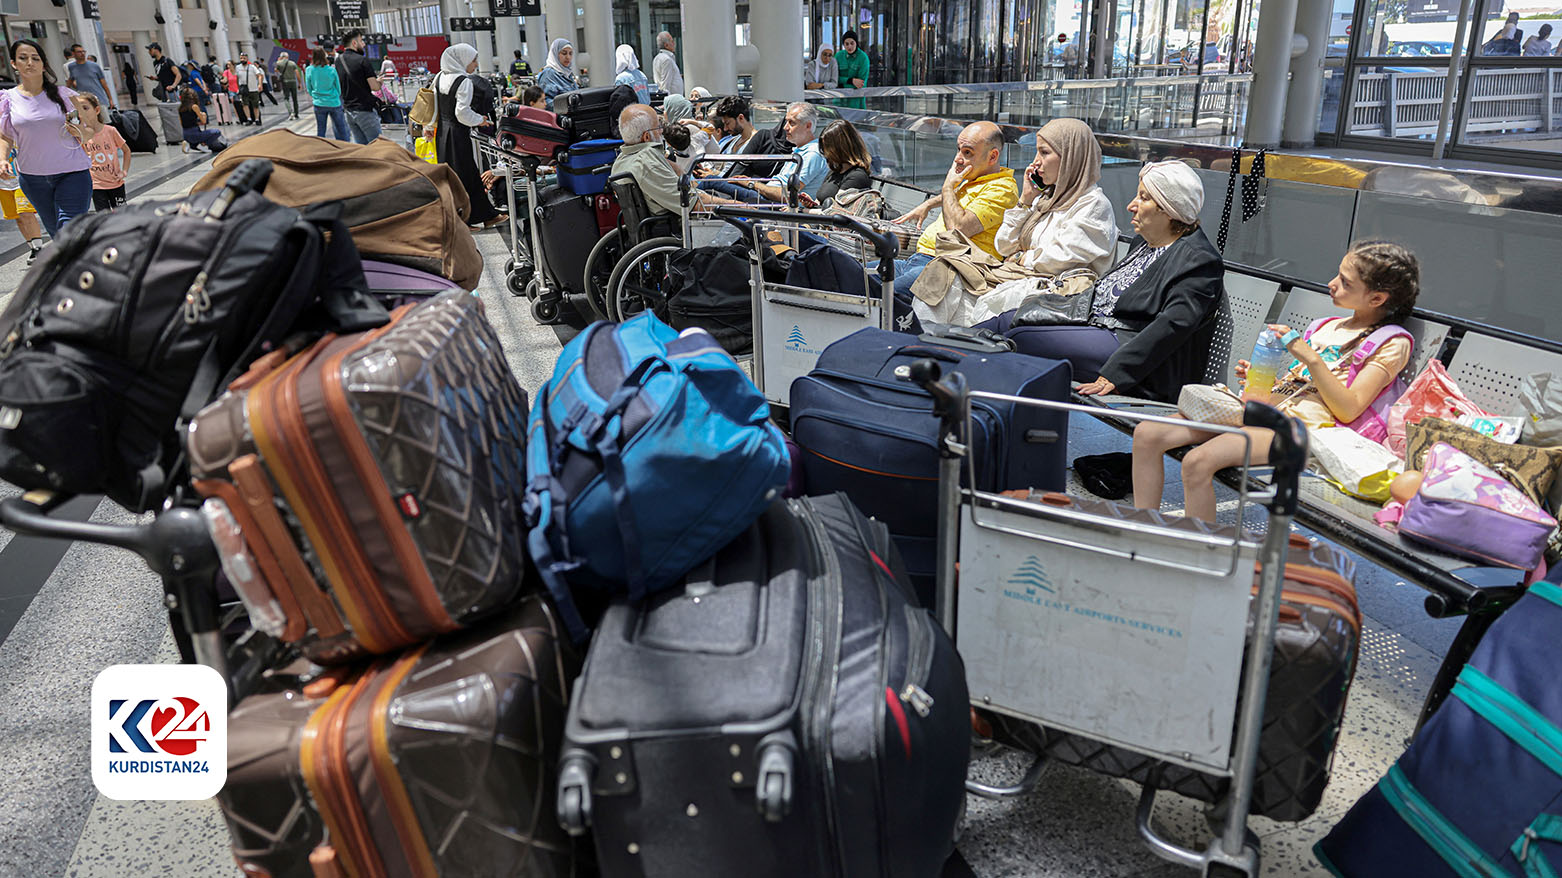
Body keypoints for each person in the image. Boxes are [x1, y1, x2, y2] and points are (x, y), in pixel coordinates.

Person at [1132, 241, 1418, 522]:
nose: (1332, 284)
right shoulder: (1325, 326)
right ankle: (1142, 528)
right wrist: (1259, 379)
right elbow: (1299, 385)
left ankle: (1204, 552)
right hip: (1268, 410)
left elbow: (1349, 408)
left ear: (1377, 298)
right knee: (1148, 434)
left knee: (1198, 462)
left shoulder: (1390, 343)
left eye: (1345, 282)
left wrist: (1311, 358)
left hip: (1303, 430)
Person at [1011, 159, 1223, 404]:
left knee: (1020, 338)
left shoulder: (1198, 261)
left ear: (1169, 209)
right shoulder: (1144, 242)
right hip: (1097, 325)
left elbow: (1173, 325)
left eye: (1144, 198)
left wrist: (1116, 374)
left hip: (1131, 354)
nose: (1131, 205)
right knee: (1004, 320)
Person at [955, 118, 1118, 324]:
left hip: (1051, 299)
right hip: (1018, 281)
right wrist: (1025, 200)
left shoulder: (1094, 205)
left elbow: (1058, 260)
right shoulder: (1046, 199)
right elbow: (1004, 246)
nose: (1036, 161)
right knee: (945, 277)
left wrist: (1023, 257)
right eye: (1037, 152)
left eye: (1045, 152)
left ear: (1070, 158)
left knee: (954, 291)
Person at [887, 120, 1019, 297]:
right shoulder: (975, 179)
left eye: (967, 152)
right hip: (919, 260)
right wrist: (928, 204)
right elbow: (959, 197)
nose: (958, 158)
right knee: (853, 274)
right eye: (958, 149)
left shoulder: (1002, 189)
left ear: (993, 157)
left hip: (947, 268)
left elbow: (958, 229)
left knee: (882, 294)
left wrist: (948, 186)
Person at [0, 39, 93, 238]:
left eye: (35, 58)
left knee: (69, 232)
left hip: (72, 173)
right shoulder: (8, 99)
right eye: (23, 58)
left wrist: (81, 132)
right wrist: (1, 160)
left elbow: (89, 129)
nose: (29, 63)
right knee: (57, 235)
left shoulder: (65, 95)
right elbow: (5, 136)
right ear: (14, 64)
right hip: (33, 178)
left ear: (43, 64)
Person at [613, 104, 740, 217]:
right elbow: (693, 203)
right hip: (677, 224)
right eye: (658, 128)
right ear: (646, 136)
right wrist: (739, 206)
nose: (661, 131)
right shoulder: (647, 161)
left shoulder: (621, 159)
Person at [434, 44, 504, 229]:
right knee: (466, 175)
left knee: (455, 176)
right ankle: (467, 219)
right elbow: (462, 113)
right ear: (462, 60)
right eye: (473, 60)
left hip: (442, 133)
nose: (475, 64)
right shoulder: (464, 81)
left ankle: (479, 216)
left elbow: (434, 104)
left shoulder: (440, 77)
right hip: (458, 134)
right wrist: (480, 120)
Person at [736, 101, 831, 205]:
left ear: (808, 126)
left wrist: (752, 183)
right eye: (786, 122)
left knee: (719, 185)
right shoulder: (799, 150)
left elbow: (788, 194)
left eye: (792, 123)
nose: (785, 127)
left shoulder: (812, 154)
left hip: (777, 207)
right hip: (767, 200)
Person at [75, 94, 129, 211]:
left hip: (116, 183)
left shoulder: (110, 131)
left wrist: (124, 171)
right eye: (78, 109)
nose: (82, 113)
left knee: (122, 215)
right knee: (104, 217)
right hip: (96, 186)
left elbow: (126, 150)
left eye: (85, 108)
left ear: (97, 110)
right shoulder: (80, 136)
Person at [336, 29, 384, 143]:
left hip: (349, 111)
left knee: (362, 148)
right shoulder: (362, 60)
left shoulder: (339, 60)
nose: (363, 44)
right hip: (365, 111)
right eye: (361, 41)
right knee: (378, 147)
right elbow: (375, 87)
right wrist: (380, 81)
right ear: (354, 43)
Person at [814, 120, 873, 203]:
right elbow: (819, 201)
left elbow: (836, 209)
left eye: (827, 148)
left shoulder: (857, 176)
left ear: (841, 148)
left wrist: (804, 210)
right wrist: (811, 204)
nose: (825, 153)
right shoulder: (835, 172)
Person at [306, 48, 348, 141]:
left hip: (319, 103)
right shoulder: (331, 70)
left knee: (321, 130)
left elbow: (309, 88)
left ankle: (322, 150)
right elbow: (338, 87)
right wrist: (335, 96)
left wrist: (315, 96)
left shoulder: (309, 70)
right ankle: (345, 148)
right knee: (341, 128)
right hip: (334, 102)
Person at [65, 44, 113, 120]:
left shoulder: (95, 66)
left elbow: (104, 84)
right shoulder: (71, 67)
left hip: (99, 100)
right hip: (84, 102)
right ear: (73, 54)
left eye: (83, 51)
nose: (82, 53)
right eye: (79, 52)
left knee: (105, 123)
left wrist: (110, 99)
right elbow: (70, 80)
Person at [178, 87, 227, 153]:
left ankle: (190, 144)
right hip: (195, 133)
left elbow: (181, 123)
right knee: (217, 132)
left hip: (185, 134)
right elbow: (204, 121)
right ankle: (204, 143)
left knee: (198, 138)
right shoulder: (194, 106)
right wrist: (203, 115)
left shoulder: (180, 108)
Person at [537, 38, 577, 108]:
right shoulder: (548, 74)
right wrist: (567, 106)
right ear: (555, 53)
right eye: (564, 53)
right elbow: (546, 102)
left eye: (570, 53)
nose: (568, 57)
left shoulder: (567, 73)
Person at [836, 30, 869, 109]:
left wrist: (841, 84)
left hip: (856, 101)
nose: (849, 46)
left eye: (852, 43)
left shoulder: (863, 58)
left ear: (856, 43)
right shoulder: (838, 56)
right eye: (846, 44)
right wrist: (851, 81)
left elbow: (861, 83)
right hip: (839, 100)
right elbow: (834, 78)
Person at [235, 52, 264, 126]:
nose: (242, 59)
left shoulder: (252, 67)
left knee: (255, 105)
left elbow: (259, 75)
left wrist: (260, 84)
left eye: (244, 58)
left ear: (247, 59)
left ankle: (257, 119)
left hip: (253, 89)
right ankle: (249, 119)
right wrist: (238, 87)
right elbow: (237, 78)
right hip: (244, 90)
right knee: (245, 104)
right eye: (241, 58)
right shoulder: (238, 67)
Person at [652, 31, 684, 96]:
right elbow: (665, 84)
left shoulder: (658, 58)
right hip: (672, 100)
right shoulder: (667, 59)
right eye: (672, 41)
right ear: (666, 45)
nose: (674, 43)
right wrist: (666, 101)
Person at [275, 52, 302, 120]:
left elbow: (276, 70)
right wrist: (299, 83)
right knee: (295, 98)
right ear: (287, 56)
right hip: (293, 81)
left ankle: (290, 112)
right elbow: (297, 73)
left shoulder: (278, 63)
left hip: (285, 82)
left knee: (286, 98)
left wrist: (278, 61)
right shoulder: (292, 63)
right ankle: (296, 113)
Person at [222, 61, 247, 125]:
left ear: (233, 65)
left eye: (229, 64)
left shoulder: (237, 71)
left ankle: (246, 116)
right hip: (231, 90)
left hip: (239, 90)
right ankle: (239, 118)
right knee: (235, 105)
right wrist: (222, 81)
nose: (228, 66)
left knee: (243, 104)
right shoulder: (226, 72)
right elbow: (225, 79)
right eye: (227, 65)